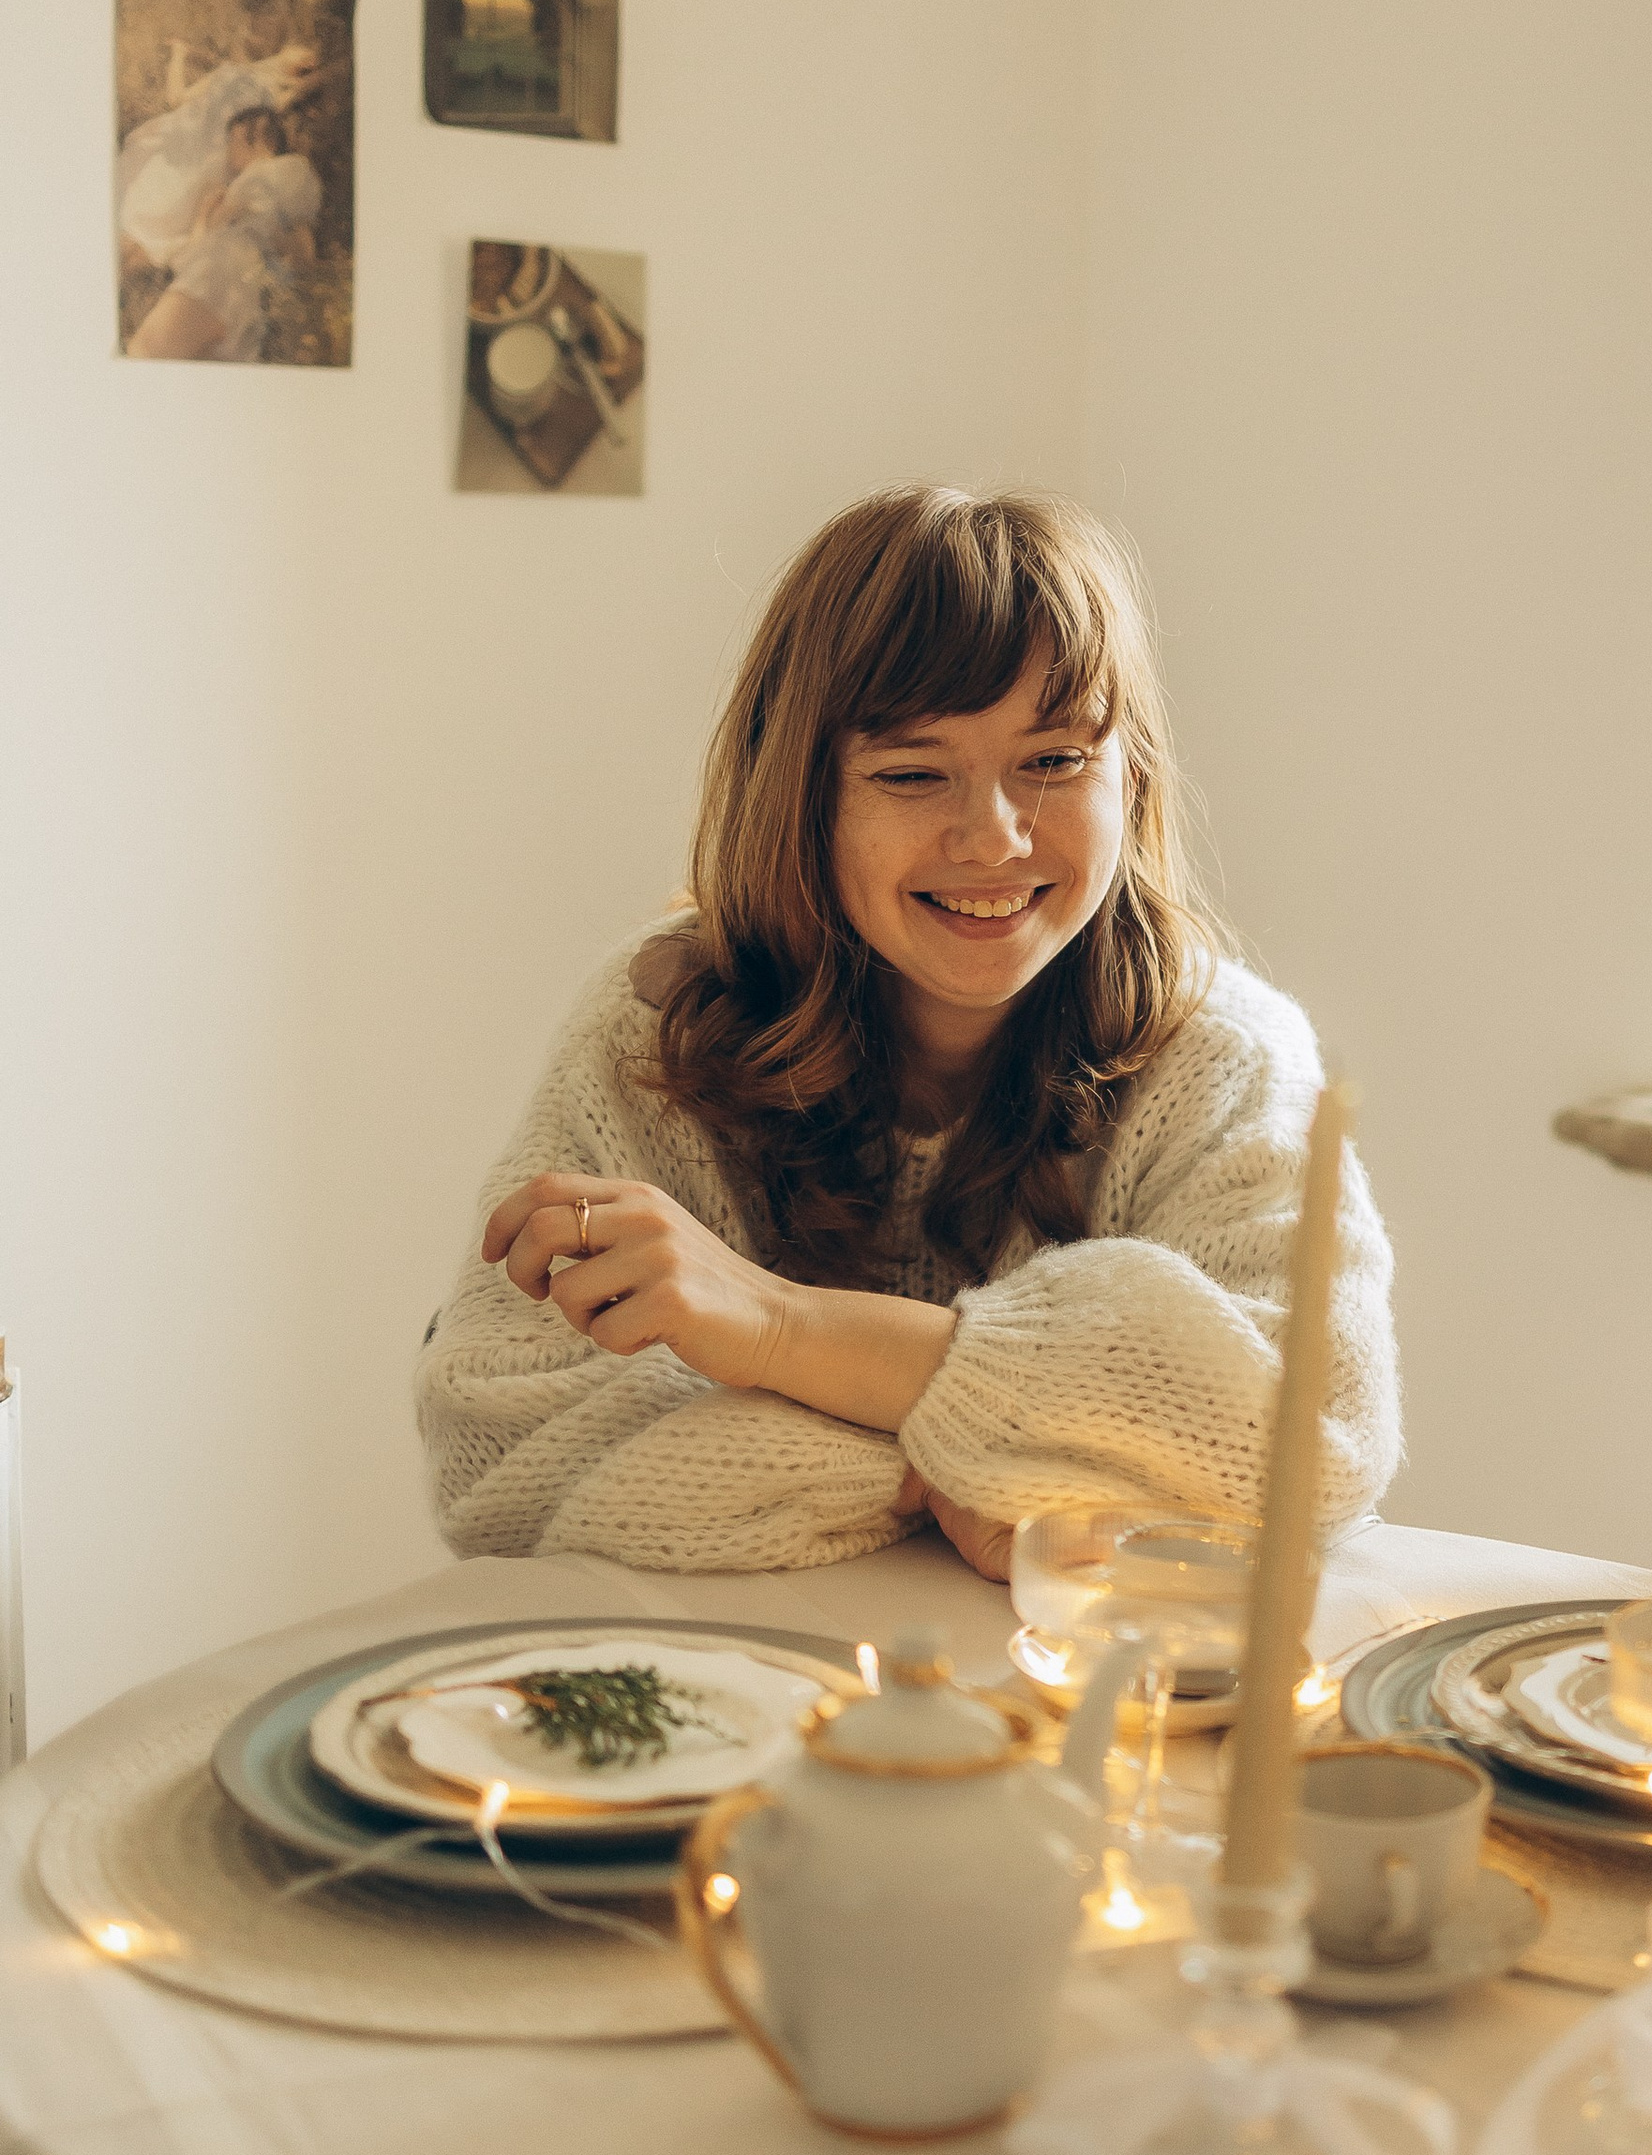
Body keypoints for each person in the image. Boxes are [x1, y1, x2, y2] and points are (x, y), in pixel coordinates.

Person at [418, 486, 1399, 1583]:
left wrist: (780, 1332)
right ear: (804, 798)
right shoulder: (659, 1031)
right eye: (910, 774)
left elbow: (1317, 1449)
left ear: (1135, 774)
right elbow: (499, 1470)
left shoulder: (1226, 1057)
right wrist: (959, 1474)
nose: (992, 836)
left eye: (1055, 761)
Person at [116, 40, 325, 361]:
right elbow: (179, 100)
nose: (308, 59)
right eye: (306, 52)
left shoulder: (273, 160)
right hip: (191, 178)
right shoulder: (236, 77)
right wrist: (179, 56)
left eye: (312, 62)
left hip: (225, 257)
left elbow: (298, 253)